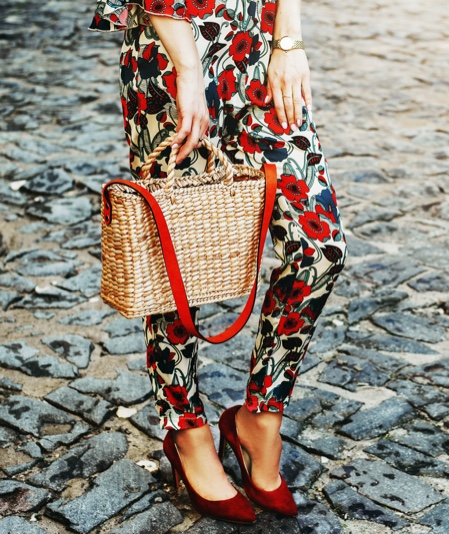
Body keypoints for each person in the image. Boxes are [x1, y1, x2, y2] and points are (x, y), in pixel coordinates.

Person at [89, 0, 347, 523]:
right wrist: (188, 68)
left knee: (319, 249)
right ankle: (186, 431)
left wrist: (288, 41)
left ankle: (260, 418)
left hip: (259, 40)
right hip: (170, 50)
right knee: (171, 255)